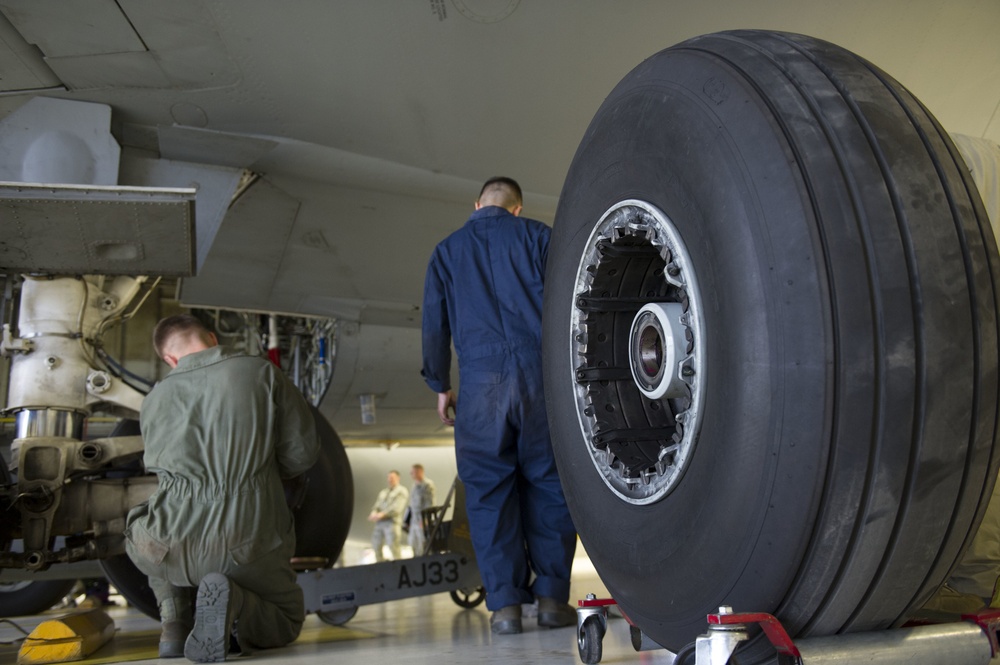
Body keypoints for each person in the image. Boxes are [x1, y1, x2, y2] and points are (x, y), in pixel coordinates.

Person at [421, 176, 578, 635]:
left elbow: (434, 326)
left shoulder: (447, 251)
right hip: (539, 381)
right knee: (550, 487)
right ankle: (550, 599)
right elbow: (570, 304)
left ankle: (505, 607)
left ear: (477, 205)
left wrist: (439, 384)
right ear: (517, 208)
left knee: (489, 496)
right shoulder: (538, 237)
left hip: (479, 387)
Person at [125, 314, 319, 661]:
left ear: (170, 359)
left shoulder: (153, 399)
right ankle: (236, 600)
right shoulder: (259, 372)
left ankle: (174, 622)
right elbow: (302, 455)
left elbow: (158, 467)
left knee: (141, 526)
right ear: (212, 339)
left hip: (171, 541)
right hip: (245, 541)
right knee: (286, 620)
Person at [367, 470, 409, 561]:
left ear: (398, 478)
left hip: (392, 523)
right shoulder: (383, 492)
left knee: (393, 546)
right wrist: (374, 513)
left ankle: (398, 566)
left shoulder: (401, 491)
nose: (390, 480)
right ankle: (380, 565)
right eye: (389, 477)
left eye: (392, 478)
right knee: (376, 544)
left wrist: (382, 515)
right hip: (379, 524)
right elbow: (377, 506)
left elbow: (397, 509)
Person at [407, 464, 436, 555]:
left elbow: (429, 502)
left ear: (419, 472)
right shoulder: (414, 486)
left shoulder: (427, 485)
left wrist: (426, 520)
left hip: (422, 520)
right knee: (413, 543)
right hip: (414, 520)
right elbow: (412, 505)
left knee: (424, 544)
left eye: (413, 472)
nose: (411, 474)